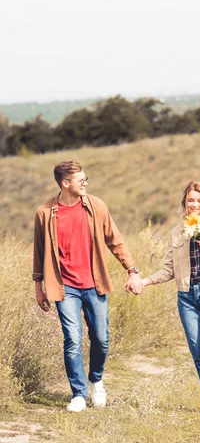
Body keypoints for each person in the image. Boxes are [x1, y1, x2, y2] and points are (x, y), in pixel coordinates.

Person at [33, 160, 143, 412]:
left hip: (94, 284)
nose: (85, 182)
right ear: (65, 183)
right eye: (81, 179)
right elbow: (39, 252)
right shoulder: (45, 212)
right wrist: (38, 287)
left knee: (101, 338)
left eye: (85, 178)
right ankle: (79, 394)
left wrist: (132, 270)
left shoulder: (96, 206)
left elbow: (115, 241)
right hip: (64, 287)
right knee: (72, 339)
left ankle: (96, 379)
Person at [135, 181, 200, 414]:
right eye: (191, 200)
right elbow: (169, 270)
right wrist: (145, 281)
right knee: (197, 351)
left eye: (199, 200)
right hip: (187, 296)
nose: (195, 204)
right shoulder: (177, 232)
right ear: (184, 202)